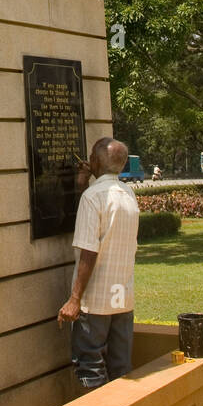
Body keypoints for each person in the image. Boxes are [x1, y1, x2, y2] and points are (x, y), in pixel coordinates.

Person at [57, 138, 140, 389]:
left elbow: (90, 251)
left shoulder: (93, 198)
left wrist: (75, 299)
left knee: (90, 368)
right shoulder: (128, 193)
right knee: (120, 367)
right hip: (121, 299)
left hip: (95, 303)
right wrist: (84, 184)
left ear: (94, 161)